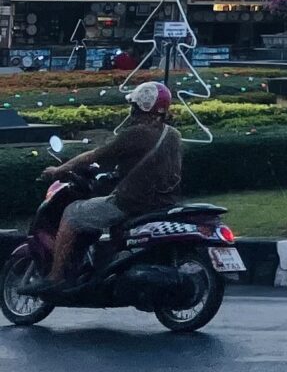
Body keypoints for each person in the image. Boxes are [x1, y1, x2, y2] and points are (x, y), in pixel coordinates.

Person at [44, 81, 184, 293]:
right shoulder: (173, 135)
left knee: (72, 214)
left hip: (130, 203)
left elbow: (94, 155)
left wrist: (59, 170)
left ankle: (55, 277)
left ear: (140, 107)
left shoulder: (135, 134)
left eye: (134, 105)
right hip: (165, 203)